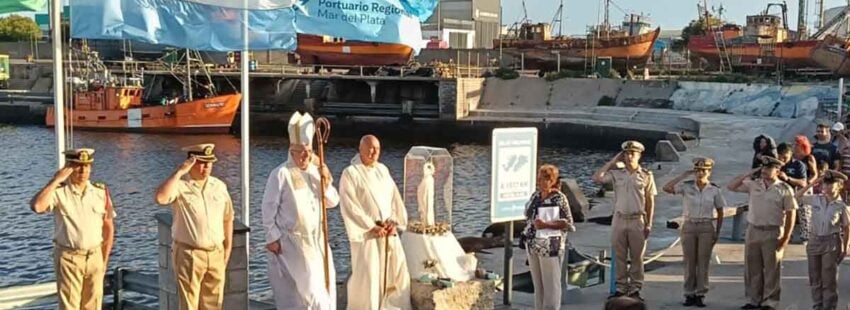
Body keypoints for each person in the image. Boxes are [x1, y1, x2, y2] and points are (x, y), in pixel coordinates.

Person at [261, 112, 339, 309]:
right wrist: (272, 237)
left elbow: (332, 202)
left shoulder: (315, 172)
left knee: (324, 290)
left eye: (309, 151)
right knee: (308, 293)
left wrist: (326, 182)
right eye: (302, 151)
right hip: (293, 242)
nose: (306, 156)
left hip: (318, 241)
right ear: (292, 151)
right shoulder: (281, 174)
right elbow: (268, 207)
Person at [30, 148, 115, 310]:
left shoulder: (100, 191)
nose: (83, 170)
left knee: (93, 306)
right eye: (77, 166)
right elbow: (37, 206)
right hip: (69, 257)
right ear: (68, 168)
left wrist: (104, 260)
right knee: (70, 307)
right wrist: (55, 181)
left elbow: (108, 227)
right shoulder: (59, 191)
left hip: (95, 256)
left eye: (86, 166)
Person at [154, 143, 234, 309]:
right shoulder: (181, 185)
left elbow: (228, 218)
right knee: (189, 305)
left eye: (209, 163)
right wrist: (179, 172)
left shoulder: (219, 186)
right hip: (189, 254)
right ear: (191, 162)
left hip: (215, 253)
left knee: (214, 304)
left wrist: (227, 248)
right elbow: (161, 198)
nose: (206, 167)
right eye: (201, 163)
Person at [339, 135, 412, 310]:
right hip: (368, 235)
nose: (374, 152)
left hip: (388, 233)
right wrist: (370, 225)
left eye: (377, 149)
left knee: (396, 275)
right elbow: (350, 205)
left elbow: (395, 199)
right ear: (361, 148)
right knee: (369, 278)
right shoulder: (351, 173)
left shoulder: (383, 170)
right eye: (370, 148)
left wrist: (394, 222)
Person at [727, 156, 797, 310]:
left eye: (768, 168)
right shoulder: (754, 184)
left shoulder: (784, 189)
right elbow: (731, 186)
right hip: (753, 229)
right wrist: (751, 171)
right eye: (763, 168)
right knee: (752, 267)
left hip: (772, 231)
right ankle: (754, 299)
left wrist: (786, 237)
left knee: (772, 268)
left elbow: (791, 214)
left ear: (777, 170)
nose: (765, 171)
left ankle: (770, 301)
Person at [592, 141, 657, 300]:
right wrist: (613, 162)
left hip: (637, 219)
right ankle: (620, 288)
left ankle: (635, 288)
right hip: (619, 219)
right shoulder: (617, 173)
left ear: (639, 155)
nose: (629, 157)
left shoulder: (646, 175)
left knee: (637, 257)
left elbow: (650, 201)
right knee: (619, 256)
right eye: (626, 153)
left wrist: (649, 223)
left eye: (632, 154)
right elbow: (597, 178)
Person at [662, 157, 726, 307]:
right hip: (690, 225)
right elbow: (666, 188)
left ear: (709, 172)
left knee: (703, 261)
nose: (700, 173)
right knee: (689, 261)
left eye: (704, 170)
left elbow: (720, 210)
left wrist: (717, 231)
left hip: (705, 226)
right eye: (697, 170)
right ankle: (689, 293)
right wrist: (683, 175)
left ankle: (700, 293)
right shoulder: (686, 187)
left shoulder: (714, 190)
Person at [519, 164, 576, 310]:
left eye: (546, 179)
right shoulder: (535, 196)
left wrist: (546, 224)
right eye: (540, 179)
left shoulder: (559, 198)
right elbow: (527, 215)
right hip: (532, 244)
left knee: (551, 285)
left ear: (553, 181)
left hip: (550, 246)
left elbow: (569, 224)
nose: (542, 182)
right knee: (538, 285)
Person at [795, 170, 850, 310]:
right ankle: (817, 305)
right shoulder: (816, 199)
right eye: (825, 183)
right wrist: (813, 183)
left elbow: (846, 227)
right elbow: (797, 197)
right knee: (814, 276)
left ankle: (829, 306)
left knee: (829, 278)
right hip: (814, 240)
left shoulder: (841, 206)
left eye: (830, 184)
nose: (826, 186)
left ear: (839, 186)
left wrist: (845, 246)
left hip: (831, 242)